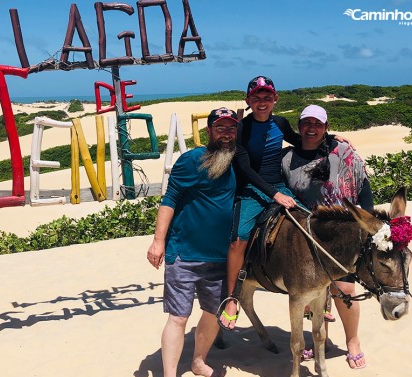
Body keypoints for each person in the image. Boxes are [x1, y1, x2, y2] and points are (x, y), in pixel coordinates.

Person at [147, 107, 239, 377]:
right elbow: (169, 199)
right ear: (209, 131)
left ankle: (198, 361)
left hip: (221, 258)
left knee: (212, 313)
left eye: (231, 128)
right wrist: (158, 241)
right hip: (184, 255)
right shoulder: (191, 160)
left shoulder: (238, 161)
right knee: (178, 318)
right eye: (220, 128)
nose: (226, 133)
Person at [281, 104, 372, 369]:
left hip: (342, 234)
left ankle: (353, 341)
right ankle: (321, 340)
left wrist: (364, 223)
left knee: (343, 289)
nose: (311, 128)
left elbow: (363, 188)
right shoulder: (286, 159)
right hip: (307, 235)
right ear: (299, 127)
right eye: (306, 123)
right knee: (313, 293)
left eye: (317, 124)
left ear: (326, 127)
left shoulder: (342, 152)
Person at [218, 76, 301, 330]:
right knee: (239, 238)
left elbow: (301, 141)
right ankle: (231, 298)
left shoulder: (281, 123)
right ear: (248, 101)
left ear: (275, 99)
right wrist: (274, 195)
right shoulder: (241, 129)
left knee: (306, 225)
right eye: (256, 98)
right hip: (251, 190)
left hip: (279, 186)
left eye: (267, 97)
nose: (262, 102)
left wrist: (334, 140)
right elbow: (244, 168)